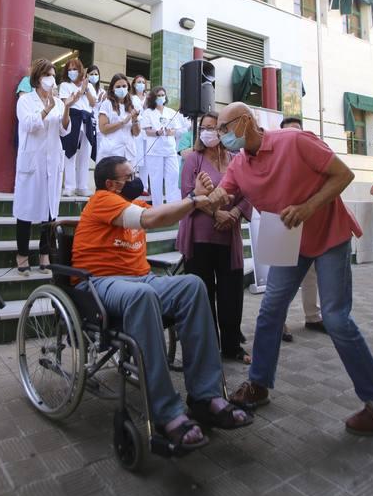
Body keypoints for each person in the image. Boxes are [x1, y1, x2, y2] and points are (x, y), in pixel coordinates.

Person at [207, 102, 373, 436]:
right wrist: (208, 195)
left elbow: (344, 175)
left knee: (337, 318)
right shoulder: (239, 165)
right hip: (289, 244)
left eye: (225, 128)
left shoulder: (294, 141)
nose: (221, 136)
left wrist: (309, 207)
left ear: (246, 122)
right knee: (269, 312)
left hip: (328, 236)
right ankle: (259, 384)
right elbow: (223, 194)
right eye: (218, 131)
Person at [72, 155, 252, 451]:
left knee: (193, 285)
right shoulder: (103, 200)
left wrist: (204, 195)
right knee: (143, 296)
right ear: (110, 184)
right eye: (129, 177)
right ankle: (166, 412)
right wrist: (195, 196)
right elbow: (152, 220)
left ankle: (205, 396)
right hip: (101, 282)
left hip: (141, 279)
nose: (135, 181)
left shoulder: (133, 205)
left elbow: (166, 214)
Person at [177, 113, 252, 363]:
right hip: (199, 238)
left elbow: (248, 192)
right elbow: (187, 194)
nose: (208, 132)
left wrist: (234, 212)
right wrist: (216, 211)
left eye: (213, 128)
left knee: (232, 294)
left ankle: (232, 346)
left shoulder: (235, 159)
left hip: (228, 238)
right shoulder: (193, 160)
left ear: (223, 131)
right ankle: (209, 348)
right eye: (204, 128)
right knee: (203, 294)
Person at [14, 59, 73, 273]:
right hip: (32, 161)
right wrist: (45, 111)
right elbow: (28, 124)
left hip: (52, 162)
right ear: (38, 78)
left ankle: (45, 253)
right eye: (47, 75)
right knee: (26, 208)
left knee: (50, 210)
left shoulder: (58, 102)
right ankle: (22, 254)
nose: (51, 79)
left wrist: (66, 108)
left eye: (53, 75)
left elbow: (64, 130)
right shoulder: (26, 100)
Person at [279, 117, 326, 340]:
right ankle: (279, 321)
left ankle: (313, 316)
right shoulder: (274, 160)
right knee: (282, 278)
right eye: (288, 132)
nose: (293, 136)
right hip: (283, 224)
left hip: (311, 224)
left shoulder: (313, 157)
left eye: (297, 131)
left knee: (311, 274)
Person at [140, 86, 188, 206]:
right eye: (158, 95)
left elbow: (179, 129)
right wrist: (157, 132)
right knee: (156, 180)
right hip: (155, 151)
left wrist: (173, 132)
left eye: (163, 95)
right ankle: (158, 207)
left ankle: (174, 205)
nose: (161, 97)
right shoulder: (148, 112)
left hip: (170, 150)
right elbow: (147, 131)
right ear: (153, 98)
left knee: (173, 177)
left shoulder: (171, 112)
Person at [58, 58, 97, 196]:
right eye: (69, 69)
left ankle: (82, 186)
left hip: (86, 119)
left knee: (85, 154)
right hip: (72, 117)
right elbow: (65, 103)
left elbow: (93, 103)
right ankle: (69, 186)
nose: (72, 72)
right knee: (70, 152)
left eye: (74, 69)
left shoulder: (89, 85)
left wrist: (85, 89)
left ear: (80, 70)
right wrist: (81, 91)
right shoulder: (64, 86)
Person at [97, 73, 140, 168]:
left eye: (124, 86)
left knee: (128, 181)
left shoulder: (132, 105)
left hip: (128, 152)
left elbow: (136, 133)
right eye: (118, 86)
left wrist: (135, 120)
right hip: (111, 152)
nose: (122, 89)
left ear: (128, 87)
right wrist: (123, 122)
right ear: (113, 88)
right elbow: (103, 128)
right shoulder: (107, 104)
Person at [130, 75, 150, 194]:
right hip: (136, 129)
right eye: (138, 82)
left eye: (143, 82)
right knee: (136, 157)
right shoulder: (131, 98)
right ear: (133, 84)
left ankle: (144, 187)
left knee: (146, 159)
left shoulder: (149, 98)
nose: (141, 84)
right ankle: (133, 185)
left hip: (147, 131)